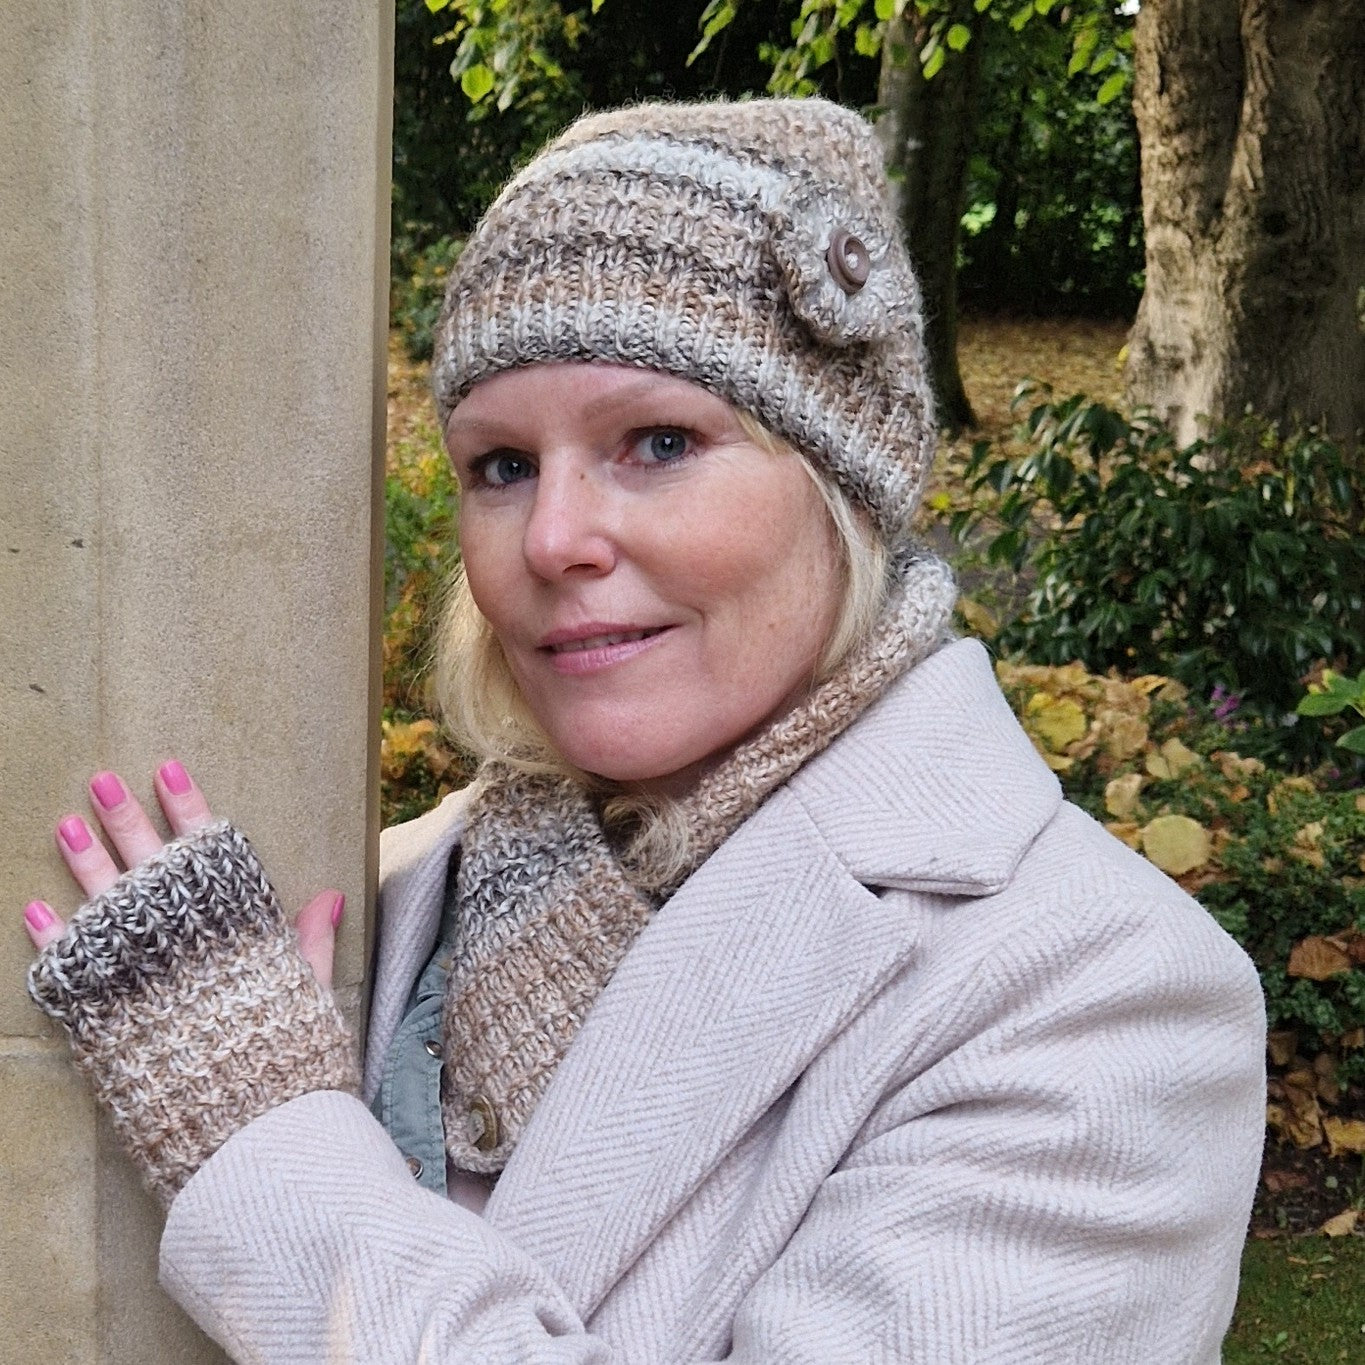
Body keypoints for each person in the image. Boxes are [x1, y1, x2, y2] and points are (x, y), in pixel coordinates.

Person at [22, 97, 1265, 1362]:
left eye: (657, 442)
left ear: (843, 482)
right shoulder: (414, 885)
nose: (553, 539)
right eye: (500, 465)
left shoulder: (1106, 994)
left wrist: (265, 1149)